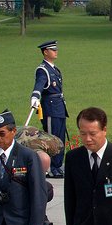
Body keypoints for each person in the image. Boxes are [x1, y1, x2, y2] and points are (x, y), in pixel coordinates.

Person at [30, 40, 68, 177]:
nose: (56, 51)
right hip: (51, 107)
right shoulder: (43, 70)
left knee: (60, 138)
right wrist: (35, 96)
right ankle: (51, 167)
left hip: (59, 107)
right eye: (53, 50)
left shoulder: (54, 69)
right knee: (52, 138)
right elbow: (39, 85)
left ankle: (57, 166)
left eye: (56, 49)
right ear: (45, 52)